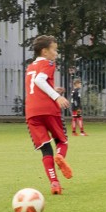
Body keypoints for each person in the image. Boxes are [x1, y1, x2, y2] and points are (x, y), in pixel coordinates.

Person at [24, 35, 73, 195]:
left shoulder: (30, 66)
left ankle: (54, 184)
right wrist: (56, 96)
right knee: (62, 141)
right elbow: (40, 80)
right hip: (48, 109)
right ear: (45, 51)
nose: (56, 53)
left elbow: (36, 83)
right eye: (54, 50)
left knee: (45, 149)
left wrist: (53, 88)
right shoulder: (49, 63)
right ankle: (60, 156)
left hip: (32, 112)